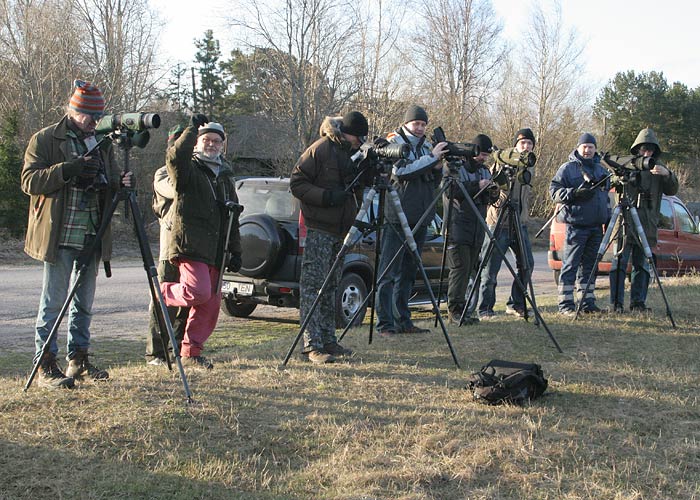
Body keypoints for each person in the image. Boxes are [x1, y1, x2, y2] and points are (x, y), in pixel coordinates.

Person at [21, 79, 133, 389]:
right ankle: (44, 365)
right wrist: (67, 170)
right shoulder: (46, 139)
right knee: (53, 302)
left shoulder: (102, 142)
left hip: (91, 234)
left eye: (97, 117)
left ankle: (78, 360)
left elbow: (108, 185)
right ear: (72, 110)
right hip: (59, 235)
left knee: (84, 302)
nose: (93, 122)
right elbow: (29, 181)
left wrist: (120, 185)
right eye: (87, 115)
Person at [159, 115, 242, 370]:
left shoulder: (225, 176)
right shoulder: (188, 170)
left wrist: (236, 251)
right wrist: (190, 130)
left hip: (217, 249)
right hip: (191, 245)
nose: (211, 144)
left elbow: (233, 215)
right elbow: (174, 158)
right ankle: (162, 291)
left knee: (210, 305)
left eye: (217, 141)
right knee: (198, 292)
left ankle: (191, 353)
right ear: (197, 142)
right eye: (206, 139)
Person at [290, 111, 368, 364]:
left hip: (340, 229)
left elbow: (352, 187)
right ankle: (312, 345)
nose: (360, 141)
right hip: (319, 227)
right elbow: (297, 183)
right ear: (347, 133)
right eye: (358, 137)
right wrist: (325, 197)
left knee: (331, 286)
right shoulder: (321, 149)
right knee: (314, 287)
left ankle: (327, 339)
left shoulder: (348, 152)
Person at [374, 105, 448, 335]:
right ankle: (385, 323)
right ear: (406, 124)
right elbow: (402, 172)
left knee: (408, 273)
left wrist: (436, 166)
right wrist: (432, 158)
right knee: (388, 272)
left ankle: (403, 321)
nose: (420, 128)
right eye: (416, 123)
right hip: (397, 216)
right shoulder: (393, 144)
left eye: (423, 124)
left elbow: (430, 180)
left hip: (421, 216)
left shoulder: (426, 146)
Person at [609, 128, 678, 313]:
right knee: (619, 264)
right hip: (624, 223)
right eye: (643, 149)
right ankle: (616, 303)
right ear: (636, 149)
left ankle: (638, 302)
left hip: (647, 224)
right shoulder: (626, 164)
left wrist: (667, 174)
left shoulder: (659, 168)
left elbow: (673, 189)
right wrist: (623, 175)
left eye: (650, 149)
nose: (646, 153)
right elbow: (612, 181)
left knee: (642, 266)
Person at [478, 128, 536, 320]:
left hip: (519, 223)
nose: (526, 147)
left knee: (527, 264)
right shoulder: (500, 164)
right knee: (490, 269)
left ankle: (516, 303)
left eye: (529, 143)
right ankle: (485, 308)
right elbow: (492, 191)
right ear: (515, 146)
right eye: (522, 143)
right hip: (499, 222)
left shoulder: (529, 167)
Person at [549, 133, 610, 315]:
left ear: (595, 149)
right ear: (578, 147)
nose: (588, 150)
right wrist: (574, 193)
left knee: (591, 267)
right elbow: (554, 192)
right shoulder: (568, 169)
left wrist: (606, 219)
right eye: (585, 146)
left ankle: (587, 303)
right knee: (570, 265)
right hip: (576, 226)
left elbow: (606, 199)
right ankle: (566, 305)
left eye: (591, 147)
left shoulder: (601, 171)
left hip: (596, 227)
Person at [442, 134, 498, 325]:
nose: (483, 158)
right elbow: (452, 191)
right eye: (481, 154)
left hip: (477, 228)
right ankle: (454, 311)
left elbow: (490, 200)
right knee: (459, 269)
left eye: (486, 155)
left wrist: (493, 191)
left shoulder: (484, 171)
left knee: (470, 271)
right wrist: (477, 186)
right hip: (457, 227)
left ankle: (465, 310)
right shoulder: (456, 168)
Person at [145, 124, 188, 365]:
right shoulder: (163, 173)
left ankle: (181, 350)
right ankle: (156, 353)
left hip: (193, 251)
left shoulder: (199, 171)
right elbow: (176, 189)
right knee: (163, 302)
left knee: (188, 303)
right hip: (169, 251)